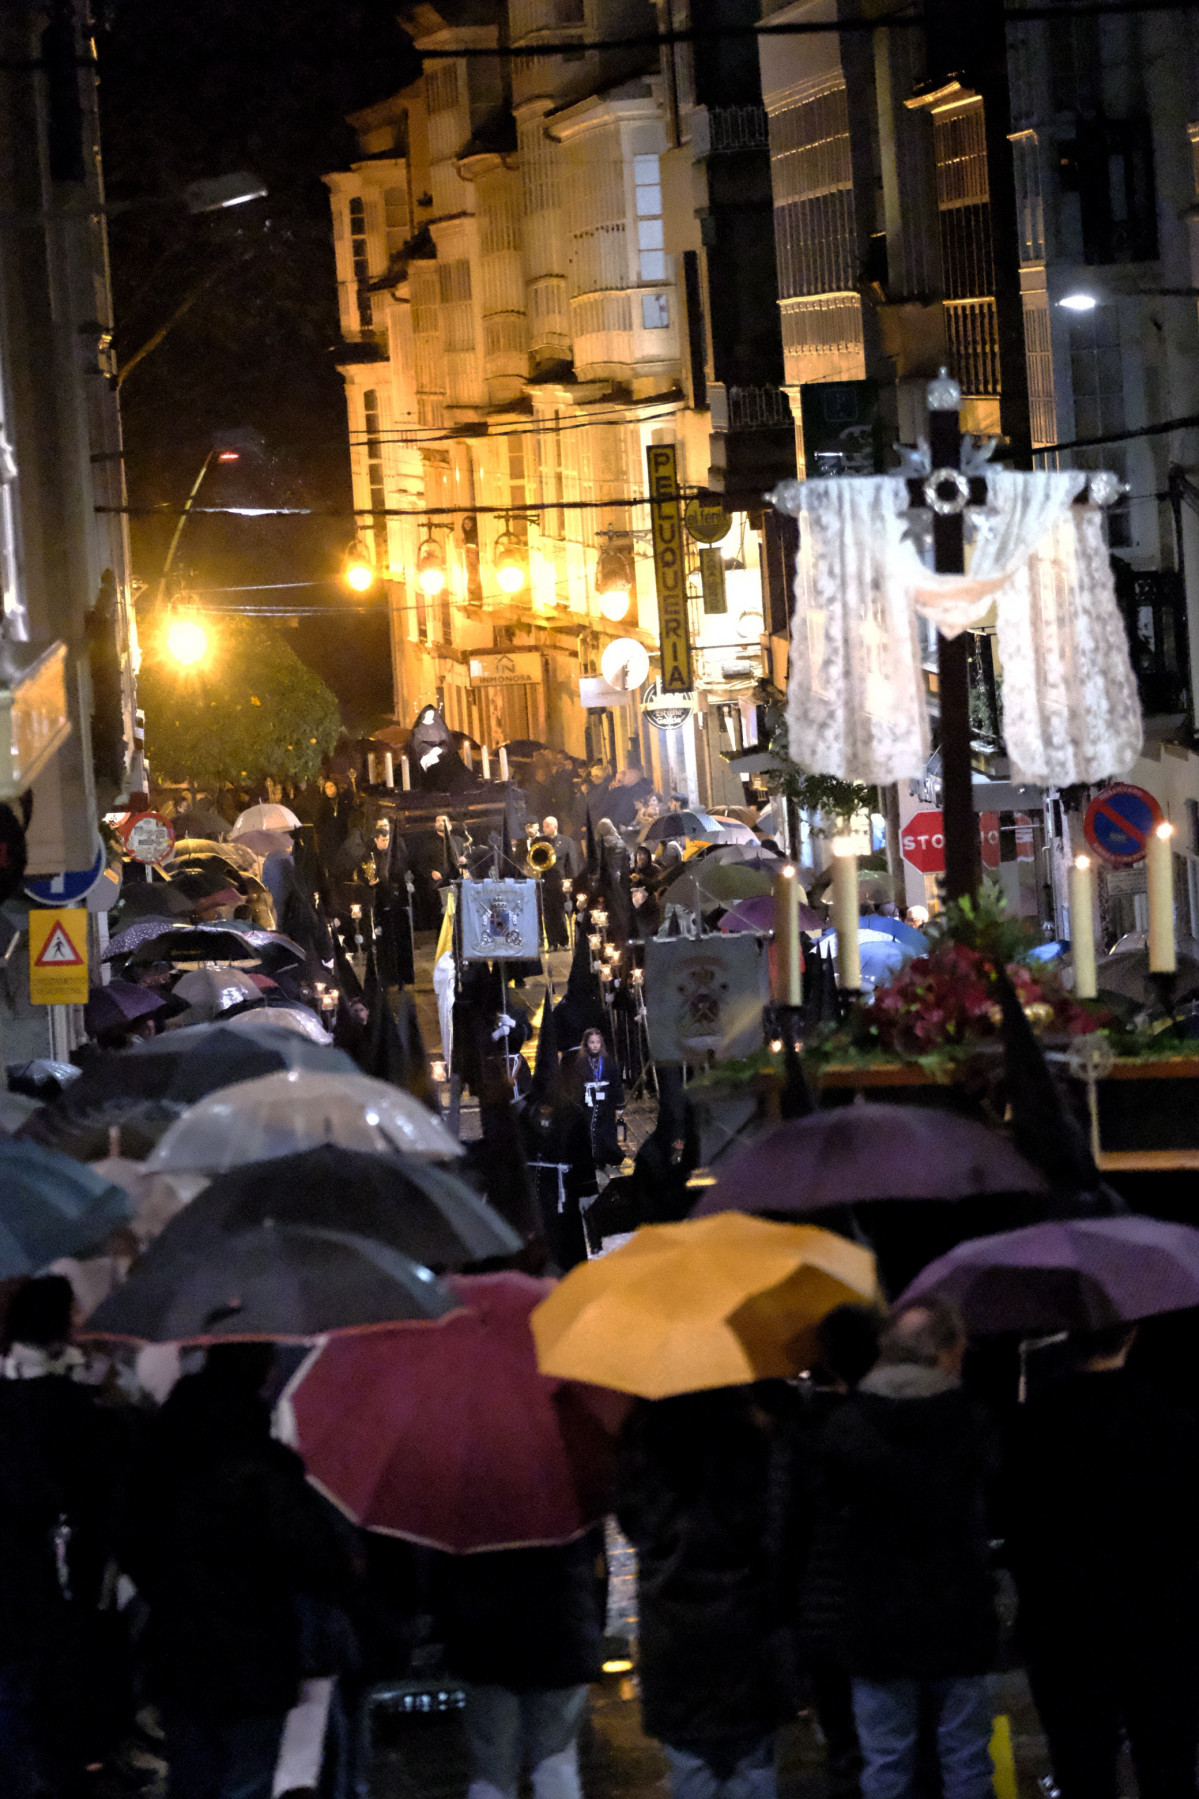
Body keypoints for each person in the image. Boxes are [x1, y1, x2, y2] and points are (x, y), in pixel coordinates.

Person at [126, 1343, 356, 1799]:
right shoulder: (264, 1467)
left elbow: (131, 1536)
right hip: (255, 1652)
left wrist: (167, 1591)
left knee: (192, 1777)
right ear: (265, 1377)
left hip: (179, 1647)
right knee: (247, 1780)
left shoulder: (158, 1454)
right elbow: (313, 1560)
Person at [1005, 1319, 1199, 1799]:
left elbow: (1015, 1525)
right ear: (1131, 1335)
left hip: (1063, 1620)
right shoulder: (1170, 1419)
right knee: (1166, 1757)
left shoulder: (1033, 1425)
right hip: (1158, 1618)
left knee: (1081, 1761)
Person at [818, 1302, 998, 1799]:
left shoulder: (846, 1426)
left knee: (886, 1765)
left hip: (875, 1624)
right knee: (966, 1761)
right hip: (959, 1617)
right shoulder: (970, 1421)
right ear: (945, 1353)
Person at [617, 1385, 798, 1799]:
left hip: (673, 1629)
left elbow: (633, 1523)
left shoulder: (643, 1443)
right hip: (747, 1622)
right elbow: (778, 1530)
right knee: (753, 1768)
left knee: (692, 1768)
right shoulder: (753, 1439)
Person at [0, 1277, 118, 1798]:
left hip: (23, 1556)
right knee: (48, 1670)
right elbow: (88, 1479)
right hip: (50, 1557)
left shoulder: (17, 1390)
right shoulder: (62, 1399)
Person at [434, 1534, 604, 1799]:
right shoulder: (564, 1499)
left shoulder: (469, 1503)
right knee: (556, 1760)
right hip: (560, 1630)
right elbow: (593, 1554)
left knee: (492, 1764)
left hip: (484, 1636)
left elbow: (442, 1570)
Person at [564, 1026, 624, 1169]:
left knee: (606, 1128)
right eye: (591, 1042)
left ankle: (607, 1155)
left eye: (597, 1042)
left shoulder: (608, 1061)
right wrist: (576, 1101)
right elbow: (576, 1083)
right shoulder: (581, 1062)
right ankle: (593, 1157)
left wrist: (619, 1102)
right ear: (586, 1044)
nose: (595, 1045)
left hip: (606, 1100)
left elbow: (616, 1081)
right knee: (591, 1128)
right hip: (588, 1099)